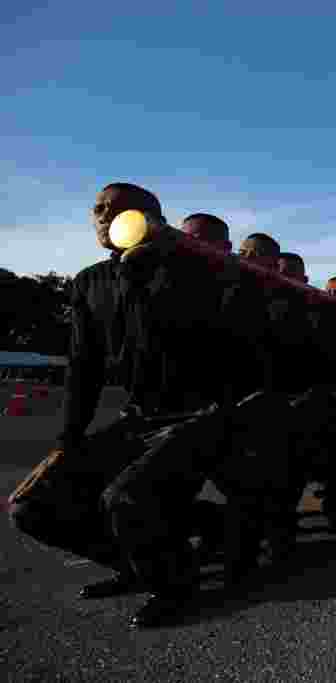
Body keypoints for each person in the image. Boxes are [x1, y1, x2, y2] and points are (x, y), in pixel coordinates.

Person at [9, 183, 240, 628]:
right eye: (97, 208)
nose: (103, 216)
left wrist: (150, 272)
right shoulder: (89, 281)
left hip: (199, 416)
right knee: (33, 507)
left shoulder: (198, 274)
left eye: (117, 210)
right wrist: (66, 444)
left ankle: (176, 582)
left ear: (150, 219)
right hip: (137, 419)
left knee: (126, 498)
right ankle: (137, 565)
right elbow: (84, 367)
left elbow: (201, 344)